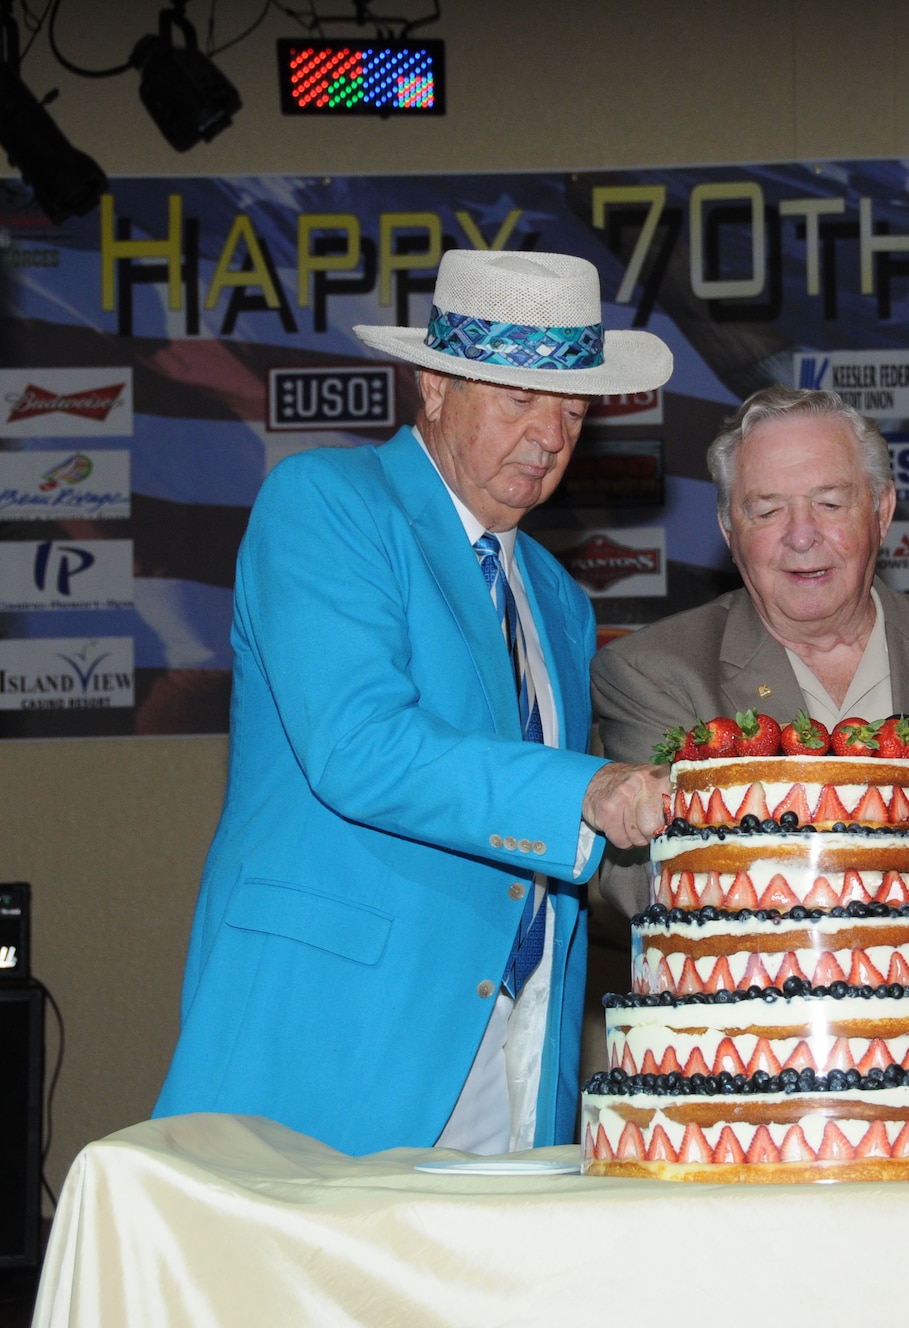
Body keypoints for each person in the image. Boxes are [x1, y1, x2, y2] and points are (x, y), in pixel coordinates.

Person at [152, 250, 675, 1156]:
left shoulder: (558, 599)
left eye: (574, 408)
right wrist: (584, 792)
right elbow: (358, 744)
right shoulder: (325, 503)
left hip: (517, 1057)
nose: (551, 435)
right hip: (332, 1044)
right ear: (434, 387)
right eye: (520, 398)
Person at [591, 386, 909, 1045]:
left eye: (830, 504)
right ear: (729, 529)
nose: (801, 535)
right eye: (767, 509)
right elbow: (660, 894)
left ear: (883, 509)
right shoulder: (655, 671)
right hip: (755, 1083)